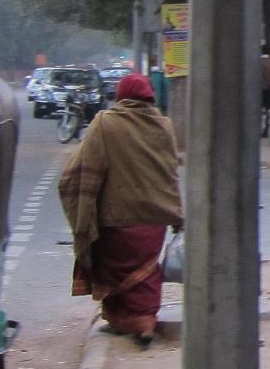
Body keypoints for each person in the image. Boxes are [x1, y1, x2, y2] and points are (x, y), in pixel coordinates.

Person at [58, 74, 183, 346]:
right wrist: (177, 214)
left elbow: (82, 169)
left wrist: (81, 207)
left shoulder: (106, 123)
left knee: (113, 270)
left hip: (116, 221)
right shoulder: (164, 125)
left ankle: (124, 321)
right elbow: (169, 174)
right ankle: (145, 320)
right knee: (146, 273)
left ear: (121, 95)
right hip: (155, 222)